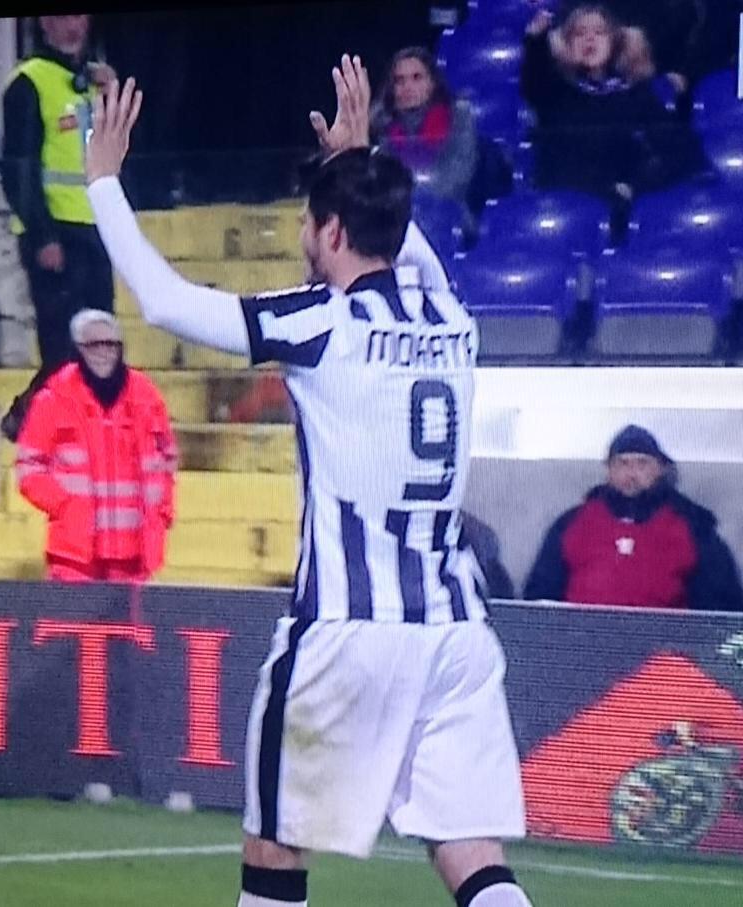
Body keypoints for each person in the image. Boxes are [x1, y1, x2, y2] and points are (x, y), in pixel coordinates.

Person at [84, 62, 534, 907]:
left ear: (330, 232)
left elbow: (165, 300)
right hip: (456, 630)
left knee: (277, 846)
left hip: (346, 629)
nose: (302, 234)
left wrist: (104, 181)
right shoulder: (451, 318)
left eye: (309, 221)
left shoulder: (319, 322)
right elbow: (409, 251)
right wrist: (359, 157)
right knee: (472, 852)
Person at [15, 308, 177, 583]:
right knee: (70, 627)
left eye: (111, 344)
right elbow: (29, 469)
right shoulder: (53, 398)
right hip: (75, 557)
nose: (104, 352)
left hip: (135, 557)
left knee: (128, 628)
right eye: (94, 345)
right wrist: (66, 506)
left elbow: (167, 459)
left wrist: (162, 512)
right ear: (78, 349)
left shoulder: (146, 395)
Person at [520, 5, 707, 234]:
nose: (590, 39)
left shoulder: (635, 92)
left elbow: (678, 149)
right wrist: (536, 43)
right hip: (573, 210)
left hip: (629, 208)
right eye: (579, 33)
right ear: (567, 45)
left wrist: (632, 186)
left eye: (599, 32)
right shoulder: (557, 92)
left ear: (614, 42)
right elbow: (533, 85)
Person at [2, 14, 119, 375]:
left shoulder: (91, 81)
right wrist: (42, 236)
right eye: (64, 16)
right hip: (55, 234)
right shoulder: (29, 81)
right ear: (44, 22)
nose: (75, 25)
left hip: (94, 229)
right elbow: (17, 169)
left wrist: (112, 97)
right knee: (63, 355)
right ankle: (30, 419)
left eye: (81, 15)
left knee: (102, 353)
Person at [524, 424, 743, 611]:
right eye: (623, 463)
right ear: (609, 470)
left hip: (665, 653)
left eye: (642, 463)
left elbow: (720, 608)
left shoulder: (694, 527)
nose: (631, 473)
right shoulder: (572, 524)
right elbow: (540, 596)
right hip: (581, 649)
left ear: (659, 469)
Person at [371, 47, 479, 218]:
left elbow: (458, 174)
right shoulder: (382, 126)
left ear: (433, 83)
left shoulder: (458, 117)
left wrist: (411, 194)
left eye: (417, 78)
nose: (407, 87)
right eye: (399, 81)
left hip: (451, 214)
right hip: (393, 218)